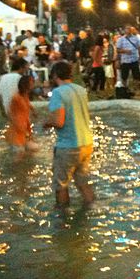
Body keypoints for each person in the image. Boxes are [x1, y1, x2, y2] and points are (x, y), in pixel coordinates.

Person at [44, 61, 94, 208]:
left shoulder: (58, 93)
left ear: (55, 75)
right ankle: (92, 208)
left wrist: (47, 123)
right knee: (82, 182)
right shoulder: (81, 90)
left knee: (61, 185)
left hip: (68, 146)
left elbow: (59, 121)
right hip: (86, 143)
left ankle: (62, 219)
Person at [6, 74, 37, 160]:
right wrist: (16, 124)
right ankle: (15, 172)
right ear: (26, 84)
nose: (33, 84)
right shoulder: (16, 98)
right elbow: (9, 113)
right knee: (19, 154)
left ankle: (25, 171)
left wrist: (33, 110)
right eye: (32, 82)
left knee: (32, 151)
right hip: (17, 130)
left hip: (24, 129)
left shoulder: (25, 96)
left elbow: (27, 104)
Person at [116, 25, 140, 93]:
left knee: (136, 76)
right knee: (124, 76)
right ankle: (125, 89)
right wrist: (125, 51)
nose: (128, 30)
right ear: (124, 30)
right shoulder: (120, 39)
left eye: (129, 29)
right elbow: (118, 50)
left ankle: (136, 90)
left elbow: (139, 48)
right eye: (127, 29)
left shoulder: (136, 38)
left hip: (134, 59)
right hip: (125, 60)